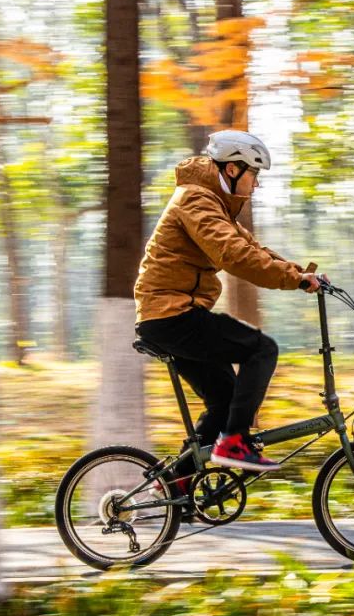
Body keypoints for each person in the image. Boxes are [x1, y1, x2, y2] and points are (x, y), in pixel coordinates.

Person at [134, 130, 323, 475]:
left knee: (225, 399)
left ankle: (177, 482)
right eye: (255, 174)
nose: (257, 185)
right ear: (234, 169)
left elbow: (253, 249)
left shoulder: (213, 204)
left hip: (174, 315)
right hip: (171, 315)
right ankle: (235, 443)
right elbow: (233, 254)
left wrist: (300, 274)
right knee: (261, 349)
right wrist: (292, 280)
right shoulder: (196, 200)